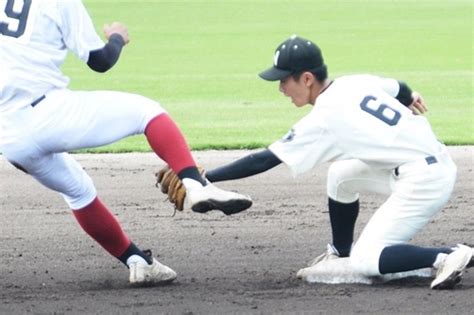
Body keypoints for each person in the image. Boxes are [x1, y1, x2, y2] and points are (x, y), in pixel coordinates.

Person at [0, 0, 252, 286]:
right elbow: (100, 61)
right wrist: (117, 37)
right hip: (49, 111)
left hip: (9, 134)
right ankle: (195, 184)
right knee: (147, 112)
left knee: (79, 193)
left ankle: (138, 262)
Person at [204, 34, 473, 289]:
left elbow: (262, 160)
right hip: (429, 163)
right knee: (341, 175)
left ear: (307, 78)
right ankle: (339, 253)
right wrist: (409, 97)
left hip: (424, 181)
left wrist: (204, 177)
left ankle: (446, 256)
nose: (281, 88)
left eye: (284, 80)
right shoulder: (353, 82)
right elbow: (399, 87)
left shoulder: (324, 117)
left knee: (367, 259)